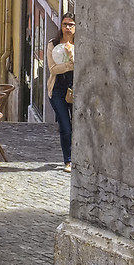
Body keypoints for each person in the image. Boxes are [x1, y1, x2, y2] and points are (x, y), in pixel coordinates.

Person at [48, 13, 78, 169]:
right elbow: (53, 69)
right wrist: (71, 65)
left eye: (71, 25)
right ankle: (68, 160)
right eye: (65, 24)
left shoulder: (80, 44)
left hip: (76, 89)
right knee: (65, 126)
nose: (67, 27)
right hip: (57, 90)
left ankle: (78, 157)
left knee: (77, 126)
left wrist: (71, 57)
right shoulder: (53, 44)